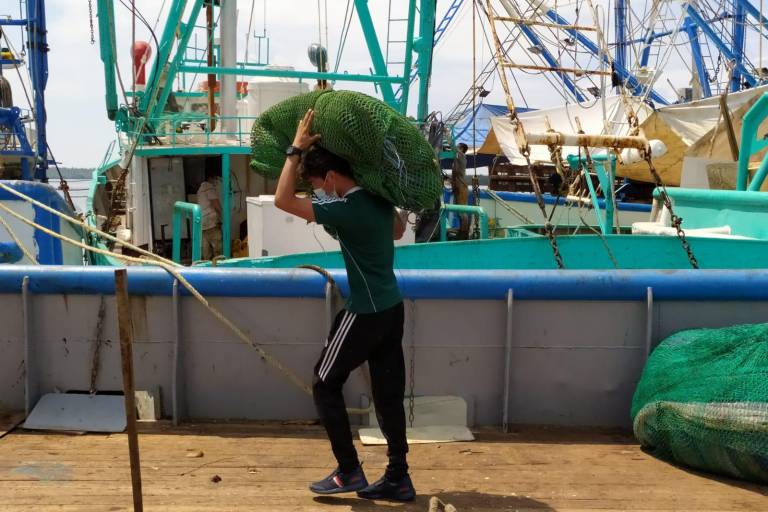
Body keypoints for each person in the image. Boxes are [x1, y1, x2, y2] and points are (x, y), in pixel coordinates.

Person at [274, 109, 415, 502]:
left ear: (332, 178)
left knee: (324, 382)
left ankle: (349, 470)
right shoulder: (375, 200)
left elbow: (283, 200)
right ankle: (398, 477)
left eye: (318, 185)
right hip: (392, 308)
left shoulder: (346, 208)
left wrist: (294, 151)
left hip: (366, 311)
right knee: (388, 396)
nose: (317, 193)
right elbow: (399, 229)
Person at [197, 164, 222, 260]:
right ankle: (220, 267)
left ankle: (207, 269)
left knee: (206, 250)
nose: (216, 181)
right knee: (218, 247)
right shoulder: (208, 186)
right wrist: (223, 217)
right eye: (215, 178)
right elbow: (216, 204)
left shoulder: (200, 189)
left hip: (202, 222)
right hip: (210, 222)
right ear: (211, 178)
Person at [452, 143, 469, 239]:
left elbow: (453, 148)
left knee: (462, 210)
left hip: (461, 186)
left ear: (461, 149)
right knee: (459, 210)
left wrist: (447, 134)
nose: (456, 149)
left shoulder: (461, 156)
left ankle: (464, 233)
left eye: (458, 147)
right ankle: (462, 230)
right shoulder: (457, 158)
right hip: (457, 186)